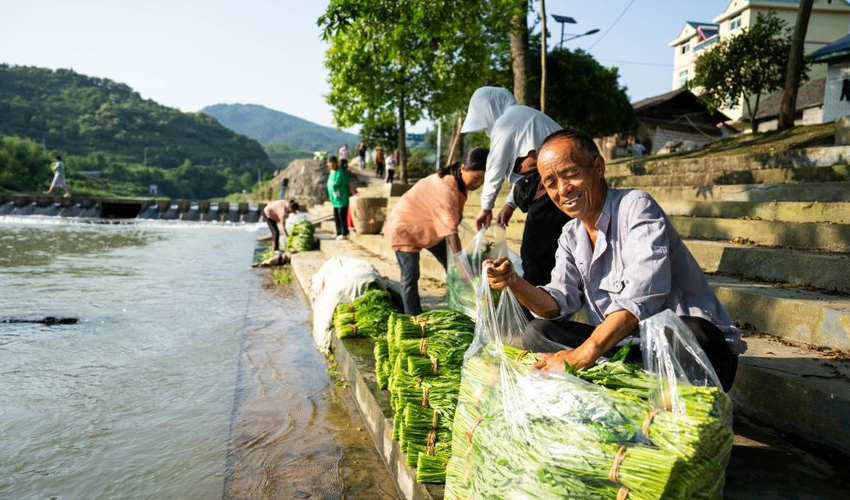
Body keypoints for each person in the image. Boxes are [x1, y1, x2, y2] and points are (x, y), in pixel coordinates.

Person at [484, 130, 743, 391]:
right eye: (551, 182)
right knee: (538, 332)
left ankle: (633, 386)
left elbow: (643, 294)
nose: (563, 189)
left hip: (693, 350)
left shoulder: (636, 207)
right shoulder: (571, 235)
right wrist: (513, 282)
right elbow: (557, 304)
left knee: (682, 331)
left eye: (571, 174)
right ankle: (630, 388)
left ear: (598, 167)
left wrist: (584, 354)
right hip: (626, 351)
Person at [461, 86, 568, 286]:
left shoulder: (505, 122)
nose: (486, 130)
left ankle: (538, 310)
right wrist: (510, 205)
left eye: (485, 124)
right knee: (550, 255)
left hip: (550, 193)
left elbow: (496, 166)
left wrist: (486, 207)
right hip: (559, 191)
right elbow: (525, 169)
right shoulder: (526, 117)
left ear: (490, 110)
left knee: (534, 256)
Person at [384, 148, 488, 315]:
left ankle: (462, 306)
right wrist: (462, 263)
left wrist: (461, 265)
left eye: (483, 179)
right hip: (404, 228)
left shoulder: (457, 182)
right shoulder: (445, 188)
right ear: (463, 168)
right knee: (410, 277)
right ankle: (414, 318)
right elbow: (451, 232)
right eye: (476, 177)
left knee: (452, 266)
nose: (479, 183)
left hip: (429, 229)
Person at [326, 155, 355, 239]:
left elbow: (349, 183)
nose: (331, 164)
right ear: (327, 163)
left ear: (336, 163)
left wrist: (352, 192)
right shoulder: (331, 173)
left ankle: (344, 233)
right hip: (335, 200)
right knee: (336, 216)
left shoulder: (340, 172)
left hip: (342, 198)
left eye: (333, 162)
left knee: (341, 215)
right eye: (329, 162)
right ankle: (338, 232)